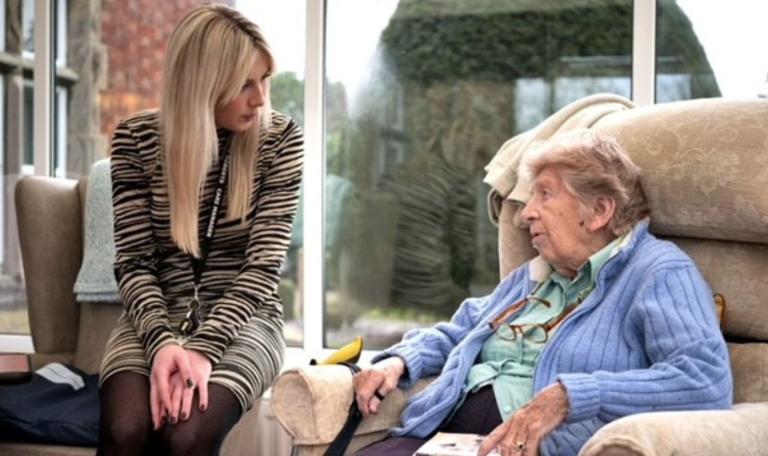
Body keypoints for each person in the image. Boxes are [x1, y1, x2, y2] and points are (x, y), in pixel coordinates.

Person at [352, 130, 732, 456]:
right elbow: (461, 330)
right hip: (442, 438)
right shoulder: (532, 277)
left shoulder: (658, 271)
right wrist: (400, 360)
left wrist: (571, 396)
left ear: (598, 210)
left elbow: (704, 379)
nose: (524, 214)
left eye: (544, 195)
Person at [97, 5, 303, 455]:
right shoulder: (136, 139)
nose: (261, 99)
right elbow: (134, 263)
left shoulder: (282, 140)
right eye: (245, 84)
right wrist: (162, 344)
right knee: (126, 430)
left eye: (265, 80)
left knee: (187, 436)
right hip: (152, 317)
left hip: (246, 318)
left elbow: (263, 269)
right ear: (204, 83)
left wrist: (202, 349)